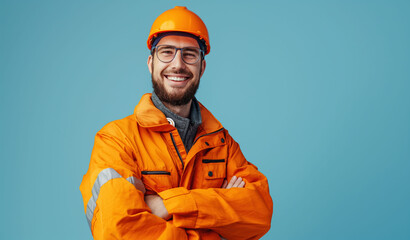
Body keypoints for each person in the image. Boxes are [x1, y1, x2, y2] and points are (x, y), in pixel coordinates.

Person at [80, 6, 273, 240]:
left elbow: (259, 213)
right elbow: (119, 230)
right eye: (167, 52)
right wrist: (215, 215)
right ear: (151, 63)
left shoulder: (222, 143)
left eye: (189, 54)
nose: (178, 64)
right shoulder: (116, 139)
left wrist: (166, 205)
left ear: (201, 67)